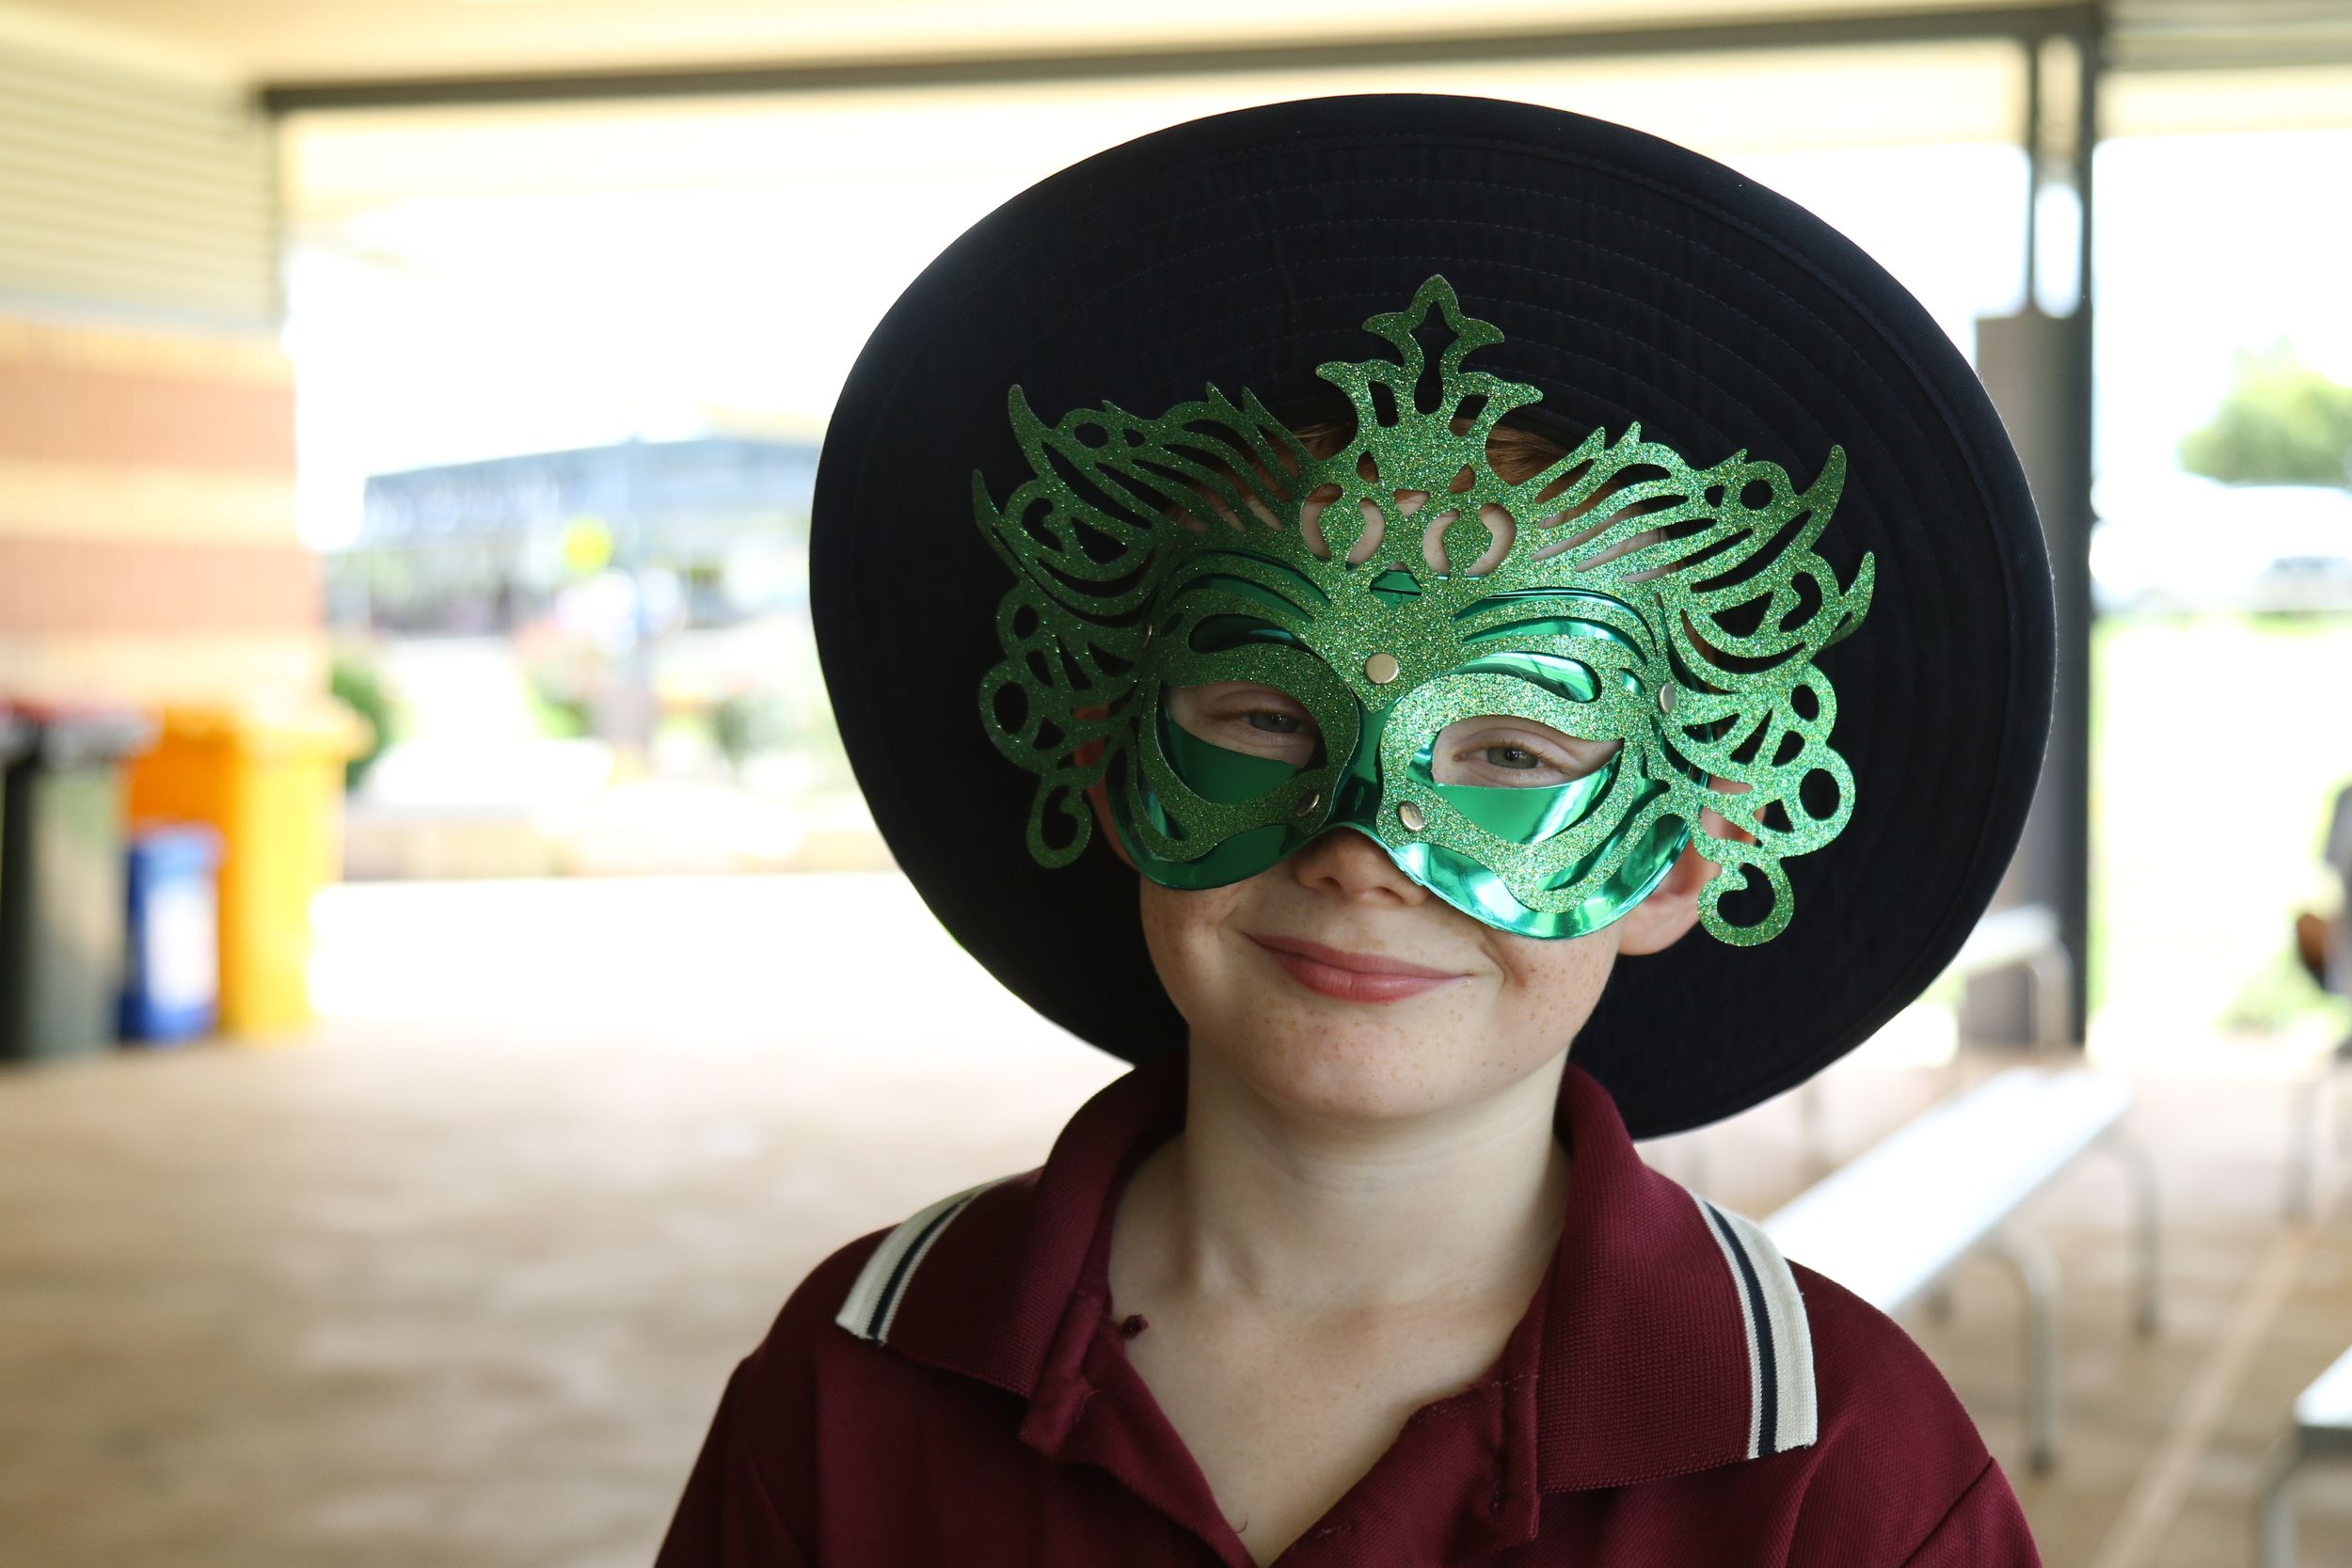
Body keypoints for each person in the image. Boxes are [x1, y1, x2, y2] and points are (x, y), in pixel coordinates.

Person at [657, 94, 2055, 1566]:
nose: (1359, 848)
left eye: (1511, 751)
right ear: (1108, 756)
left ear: (1683, 857)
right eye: (1267, 714)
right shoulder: (853, 1383)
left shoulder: (1851, 1475)